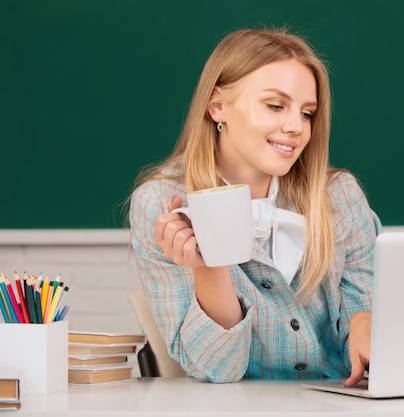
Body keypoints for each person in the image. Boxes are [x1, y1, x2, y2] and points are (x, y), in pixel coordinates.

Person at [128, 27, 381, 384]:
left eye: (307, 113)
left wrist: (365, 319)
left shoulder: (338, 196)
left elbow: (368, 320)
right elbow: (217, 369)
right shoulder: (161, 206)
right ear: (218, 106)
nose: (296, 127)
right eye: (276, 106)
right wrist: (208, 266)